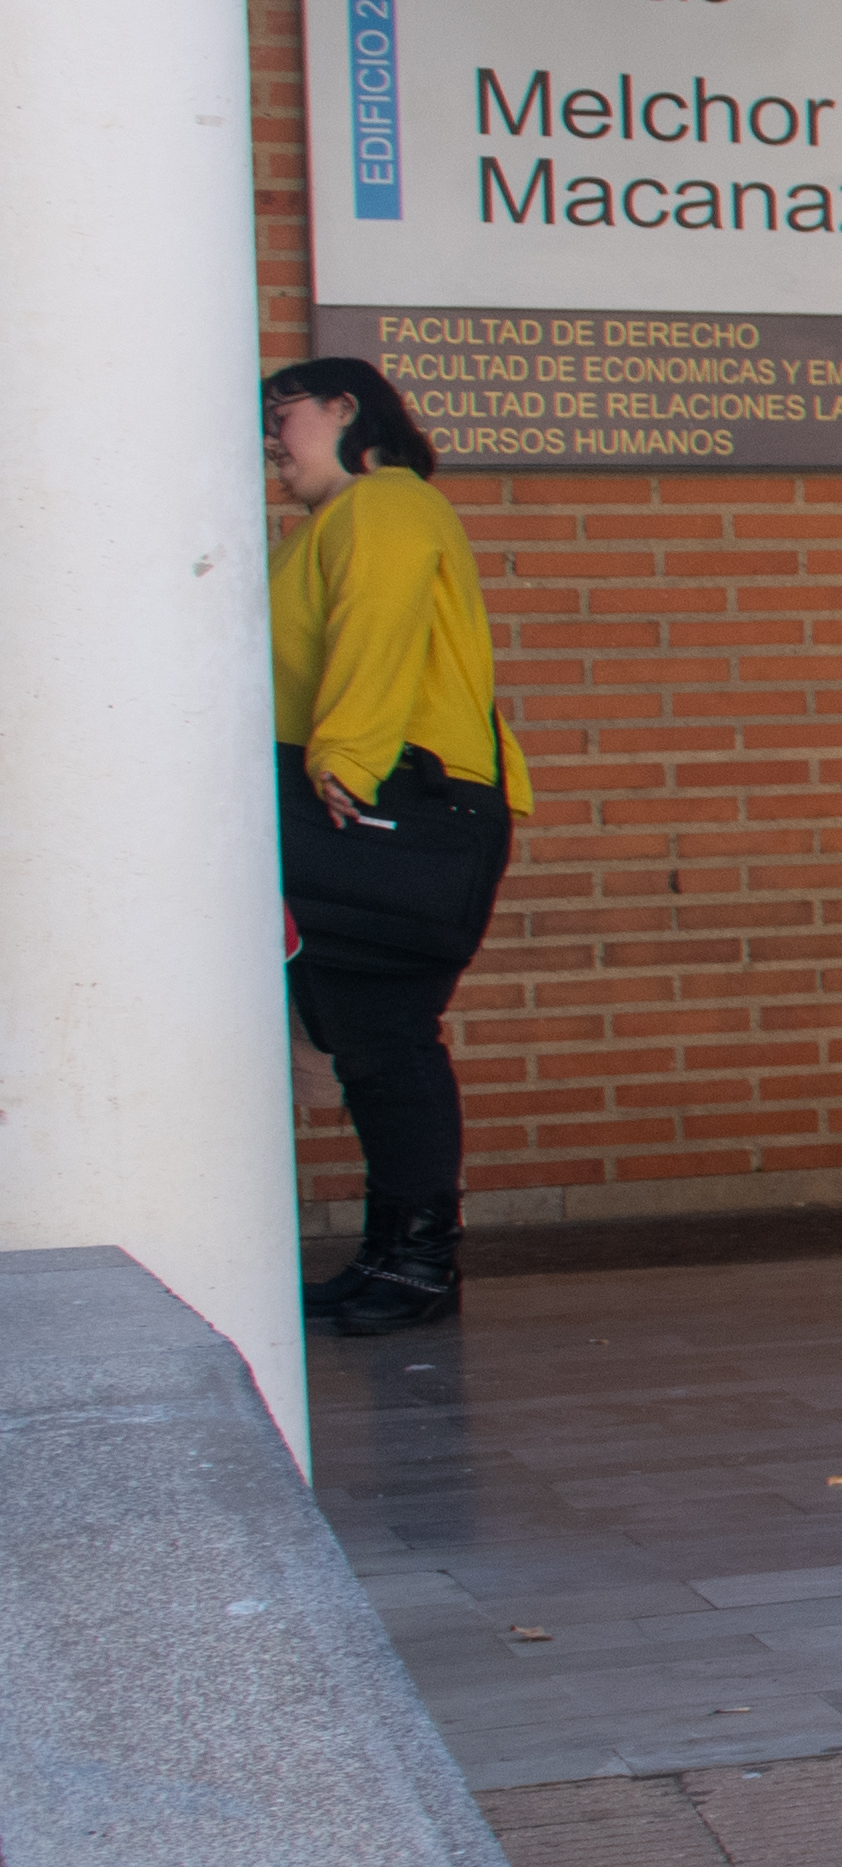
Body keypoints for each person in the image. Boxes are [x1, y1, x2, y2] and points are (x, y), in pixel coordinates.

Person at [265, 353, 524, 1338]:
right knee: (372, 1044)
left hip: (393, 804)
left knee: (387, 1041)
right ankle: (397, 1256)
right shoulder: (322, 527)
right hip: (381, 806)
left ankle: (418, 1263)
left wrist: (346, 756)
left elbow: (378, 623)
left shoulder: (385, 503)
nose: (270, 438)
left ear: (344, 409)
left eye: (284, 414)